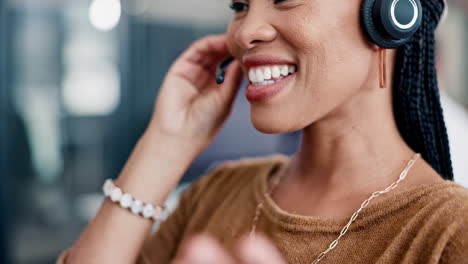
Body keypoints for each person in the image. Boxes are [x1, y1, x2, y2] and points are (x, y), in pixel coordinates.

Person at [57, 0, 468, 263]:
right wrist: (166, 143)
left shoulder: (449, 232)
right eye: (240, 4)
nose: (243, 32)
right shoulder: (216, 194)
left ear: (392, 14)